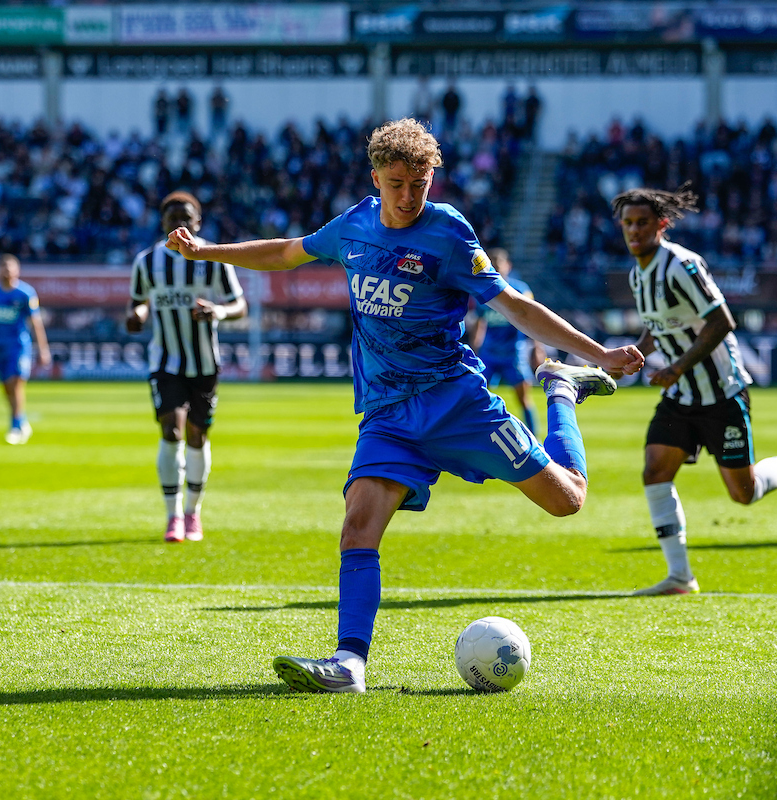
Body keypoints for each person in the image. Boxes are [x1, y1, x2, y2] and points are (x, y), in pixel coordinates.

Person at [166, 118, 644, 693]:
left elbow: (512, 304)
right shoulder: (355, 225)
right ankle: (349, 664)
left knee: (567, 500)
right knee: (358, 527)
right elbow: (289, 252)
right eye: (397, 183)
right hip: (388, 413)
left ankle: (563, 390)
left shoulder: (448, 233)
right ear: (376, 178)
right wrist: (207, 251)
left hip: (455, 403)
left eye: (421, 182)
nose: (410, 195)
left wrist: (596, 352)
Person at [615, 186, 777, 596]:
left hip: (721, 392)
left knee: (744, 493)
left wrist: (676, 366)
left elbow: (721, 320)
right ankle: (680, 576)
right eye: (628, 224)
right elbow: (659, 323)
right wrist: (637, 352)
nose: (633, 231)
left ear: (661, 225)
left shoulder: (681, 265)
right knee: (655, 471)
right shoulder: (638, 274)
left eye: (642, 223)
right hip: (681, 396)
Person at [126, 191, 246, 543]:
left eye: (186, 218)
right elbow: (139, 303)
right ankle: (173, 515)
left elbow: (239, 304)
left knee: (197, 435)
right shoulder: (147, 262)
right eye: (171, 218)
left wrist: (219, 311)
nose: (178, 223)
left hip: (205, 362)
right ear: (162, 224)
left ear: (197, 223)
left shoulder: (213, 258)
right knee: (171, 430)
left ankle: (193, 512)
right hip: (165, 361)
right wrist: (136, 316)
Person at [0, 254, 51, 444]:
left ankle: (16, 426)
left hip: (19, 346)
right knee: (7, 386)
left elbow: (36, 322)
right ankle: (21, 419)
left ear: (17, 270)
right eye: (3, 267)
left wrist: (43, 349)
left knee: (16, 382)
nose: (6, 271)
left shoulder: (26, 293)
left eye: (10, 268)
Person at [469, 248, 544, 436]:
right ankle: (478, 437)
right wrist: (474, 350)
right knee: (476, 397)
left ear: (507, 266)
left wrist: (536, 346)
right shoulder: (482, 291)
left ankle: (534, 440)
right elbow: (480, 322)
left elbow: (533, 320)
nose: (494, 266)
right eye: (490, 262)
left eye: (497, 262)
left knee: (523, 399)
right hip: (489, 353)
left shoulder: (520, 289)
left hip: (513, 353)